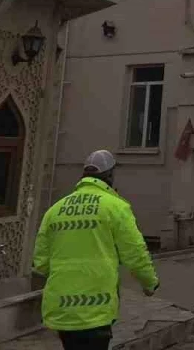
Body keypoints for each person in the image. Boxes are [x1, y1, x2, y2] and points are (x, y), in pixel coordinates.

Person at [33, 150, 160, 350]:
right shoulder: (116, 207)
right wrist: (149, 283)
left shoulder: (55, 210)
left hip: (61, 306)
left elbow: (40, 262)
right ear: (110, 176)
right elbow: (135, 253)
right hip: (96, 307)